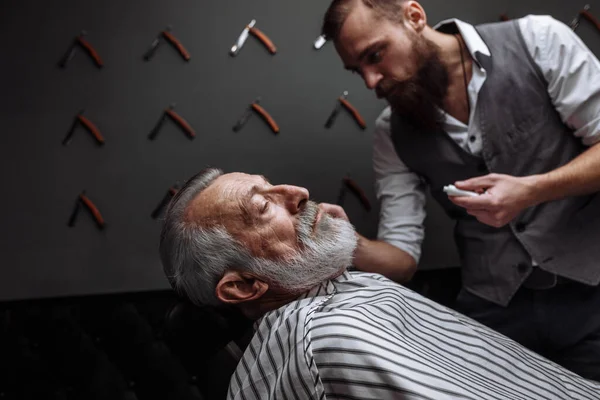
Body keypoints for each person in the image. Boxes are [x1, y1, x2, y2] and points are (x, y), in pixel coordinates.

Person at [321, 0, 600, 380]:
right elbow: (402, 259)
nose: (371, 82)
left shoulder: (539, 40)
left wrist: (532, 190)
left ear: (414, 17)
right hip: (493, 322)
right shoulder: (391, 133)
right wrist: (347, 242)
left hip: (591, 293)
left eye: (376, 55)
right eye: (358, 70)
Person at [159, 168, 600, 399]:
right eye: (262, 205)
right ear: (243, 287)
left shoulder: (339, 295)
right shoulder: (325, 339)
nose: (297, 193)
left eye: (273, 185)